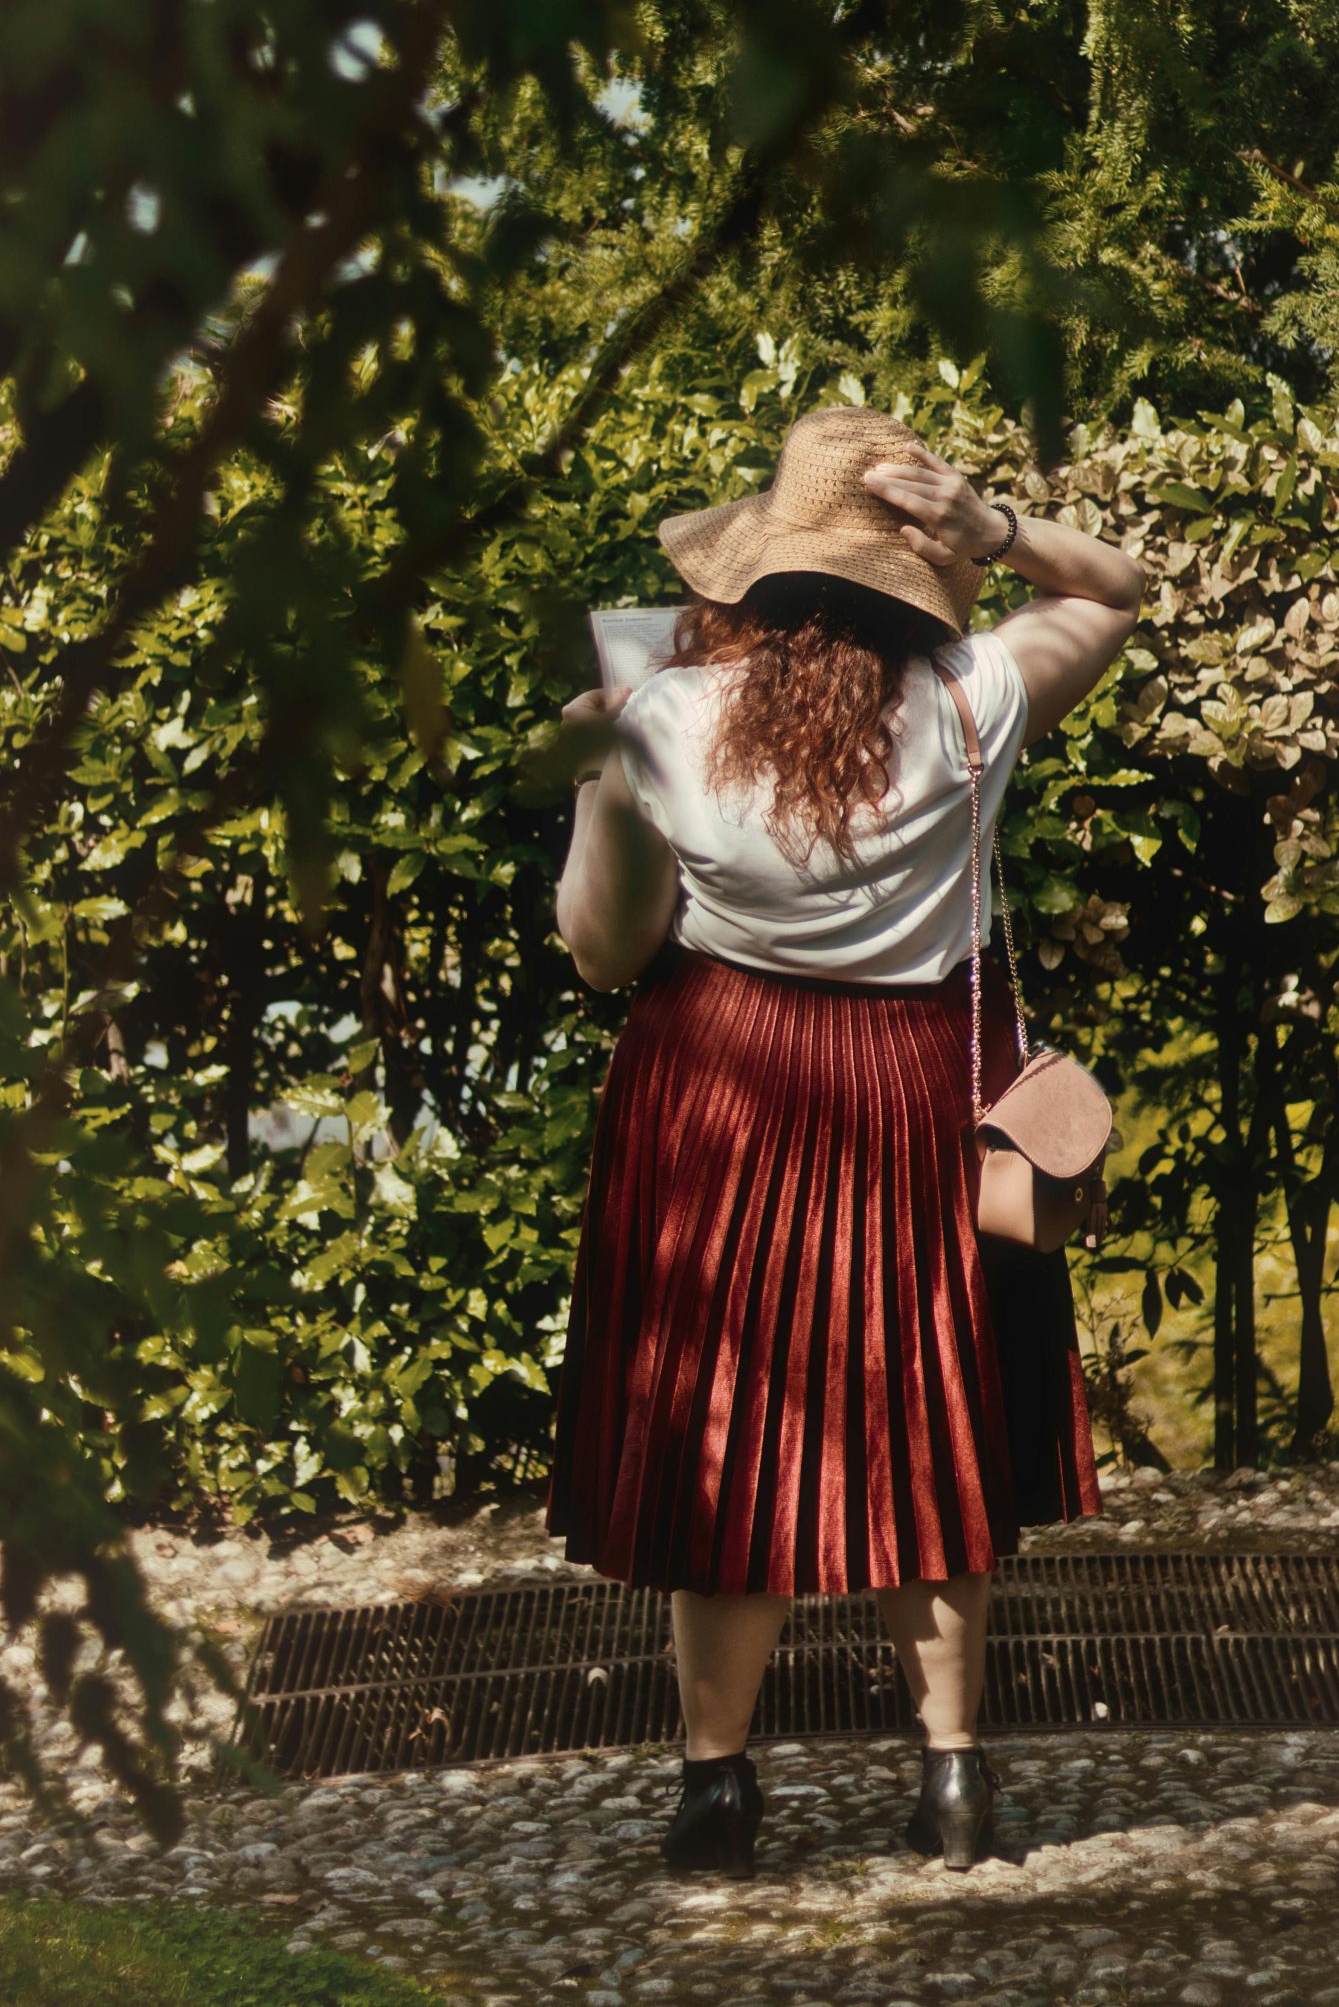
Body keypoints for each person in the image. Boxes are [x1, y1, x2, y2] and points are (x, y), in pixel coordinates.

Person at [545, 405, 1144, 1877]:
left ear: (744, 580)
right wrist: (994, 527)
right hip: (912, 1082)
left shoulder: (661, 721)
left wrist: (598, 780)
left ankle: (717, 1787)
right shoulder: (972, 699)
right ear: (912, 581)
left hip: (722, 1083)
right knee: (924, 1418)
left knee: (726, 1426)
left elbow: (605, 953)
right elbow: (1112, 589)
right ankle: (950, 1780)